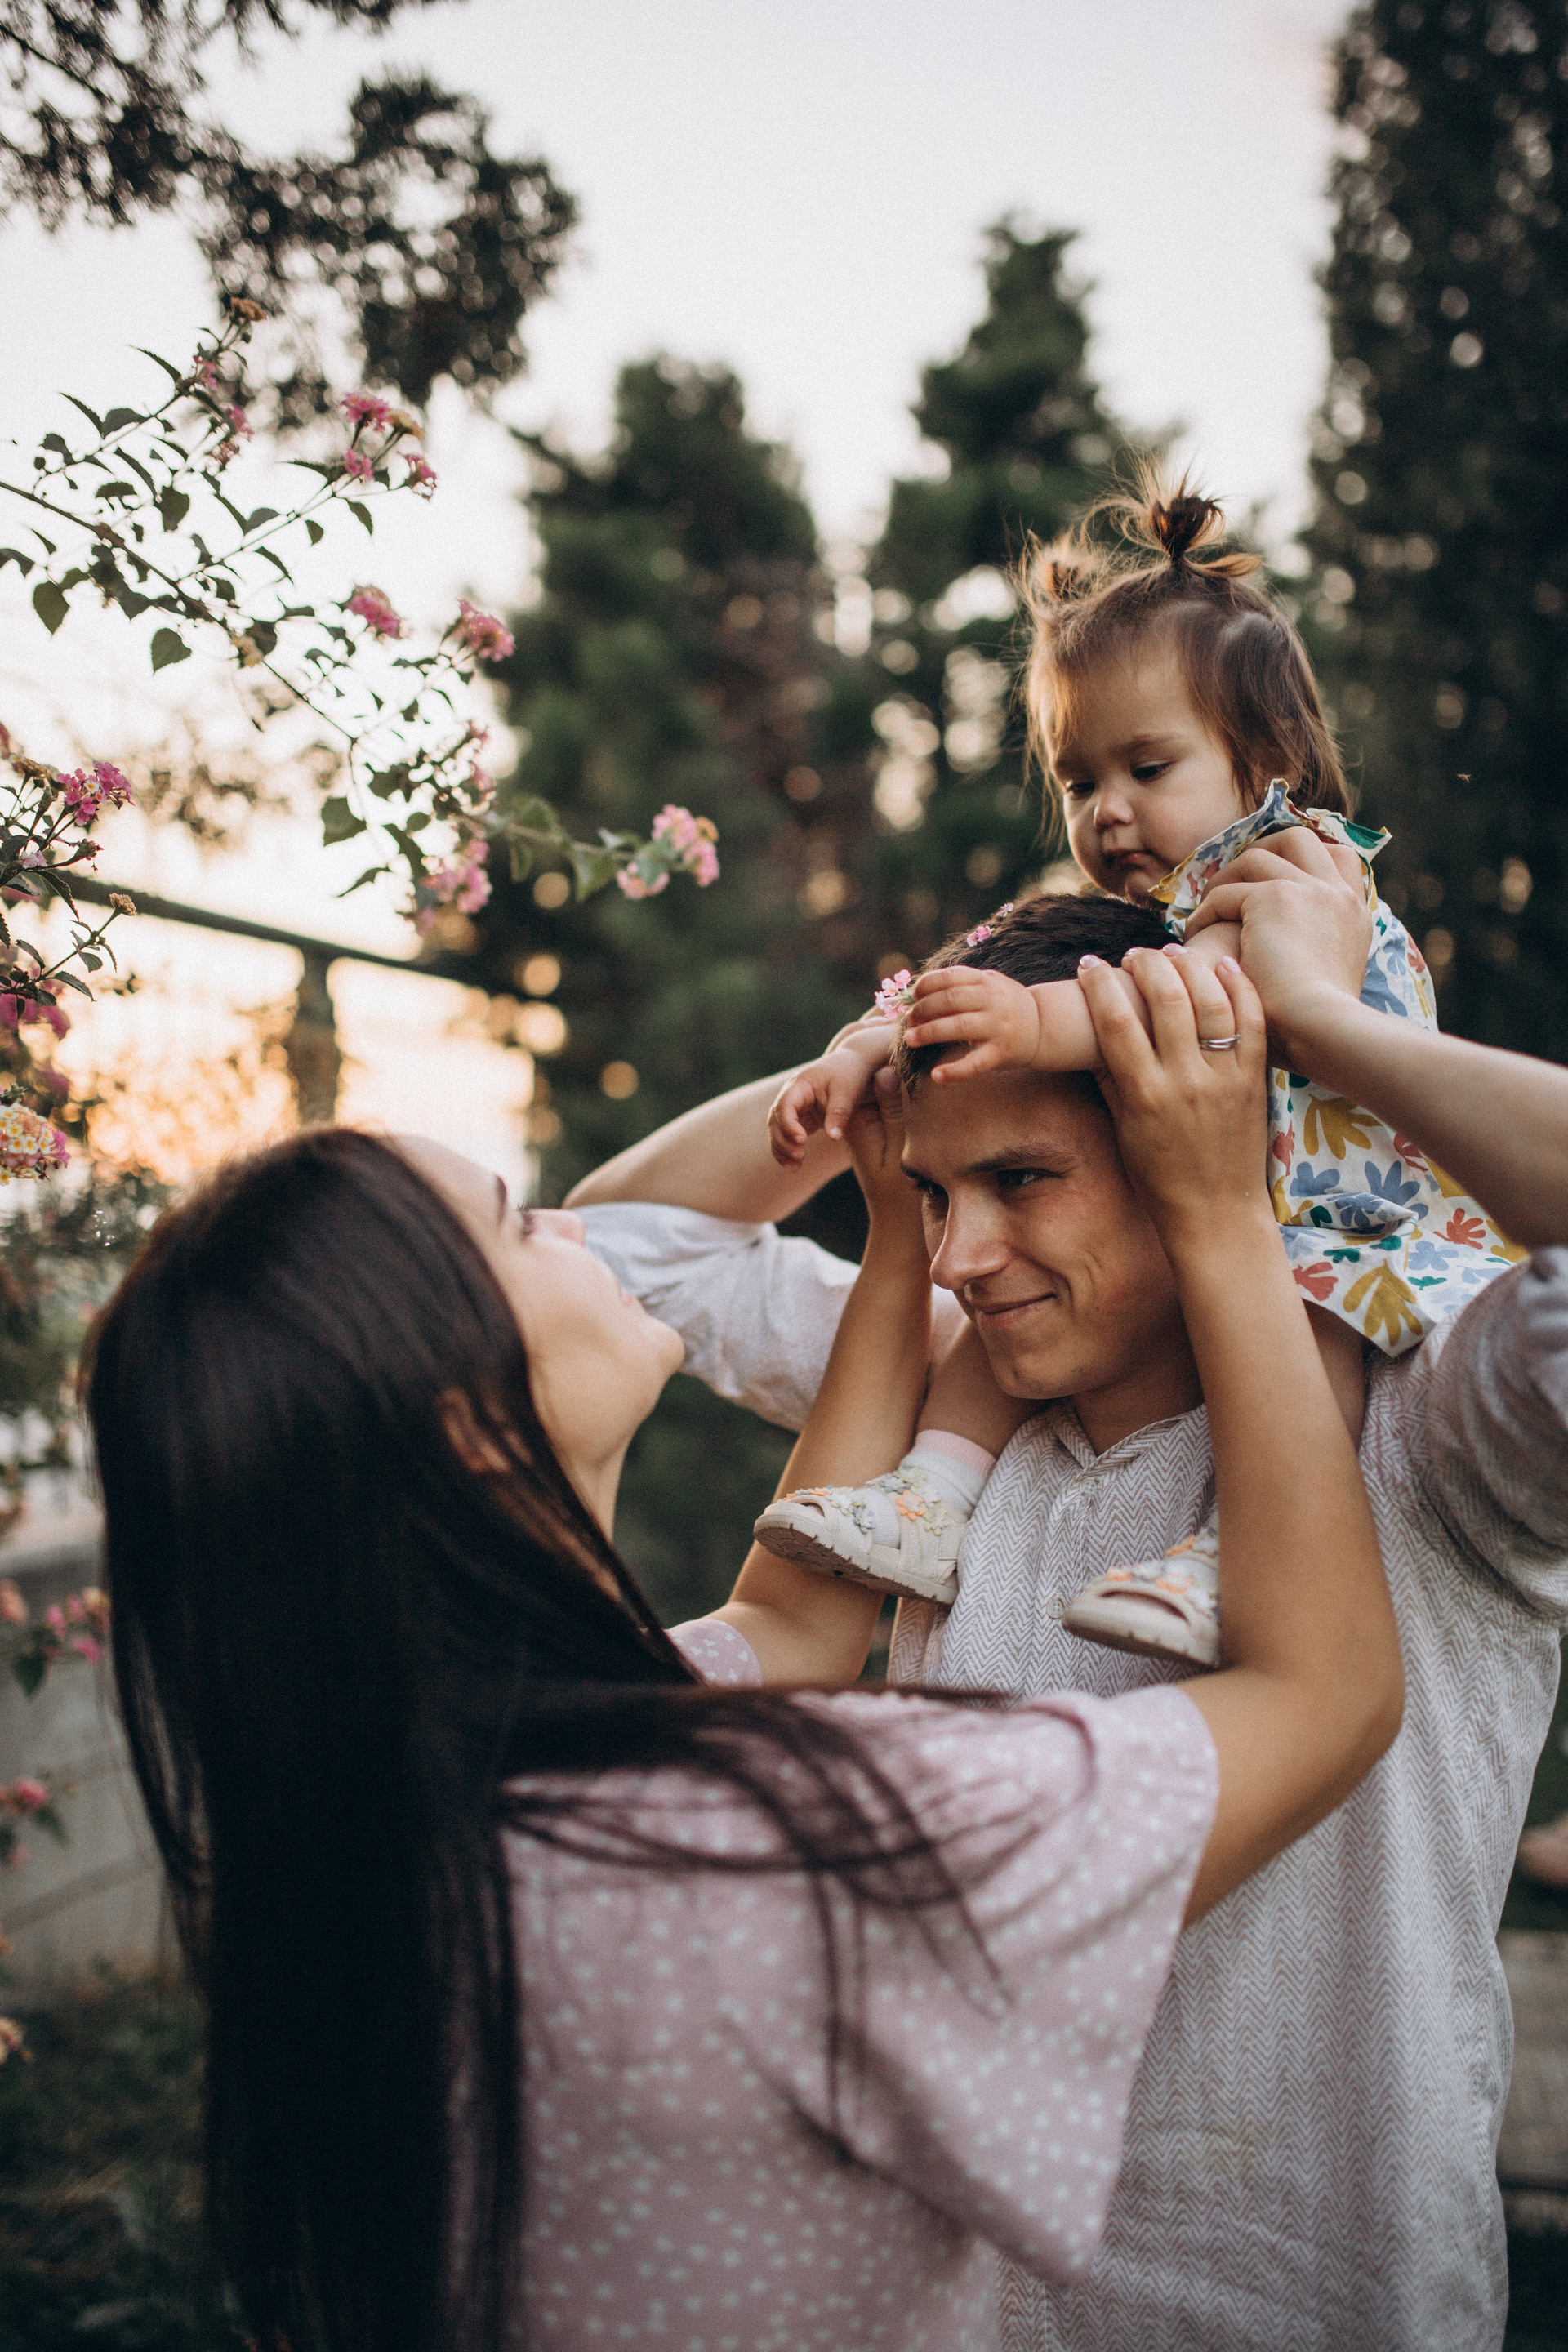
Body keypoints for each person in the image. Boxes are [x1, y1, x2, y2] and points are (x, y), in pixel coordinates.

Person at [88, 951, 1400, 2352]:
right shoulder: (806, 1843)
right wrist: (1223, 1212)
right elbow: (1324, 1693)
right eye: (520, 1225)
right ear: (468, 1423)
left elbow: (797, 1622)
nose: (573, 1228)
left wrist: (896, 1213)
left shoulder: (415, 1804)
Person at [568, 853, 1568, 2352]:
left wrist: (1308, 1022)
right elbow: (622, 1245)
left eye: (1021, 1180)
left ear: (1200, 1126)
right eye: (933, 1194)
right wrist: (883, 1056)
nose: (960, 1257)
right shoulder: (944, 1388)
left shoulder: (1429, 1427)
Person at [759, 477, 1514, 1669]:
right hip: (1240, 1181)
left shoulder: (1288, 868)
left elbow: (1197, 996)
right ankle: (935, 1495)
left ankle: (1241, 1546)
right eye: (1079, 782)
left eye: (1147, 768)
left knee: (1308, 1327)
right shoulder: (1131, 911)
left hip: (1334, 1207)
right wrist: (866, 1045)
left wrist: (1029, 1022)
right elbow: (971, 969)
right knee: (998, 1298)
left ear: (1267, 761)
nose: (1108, 812)